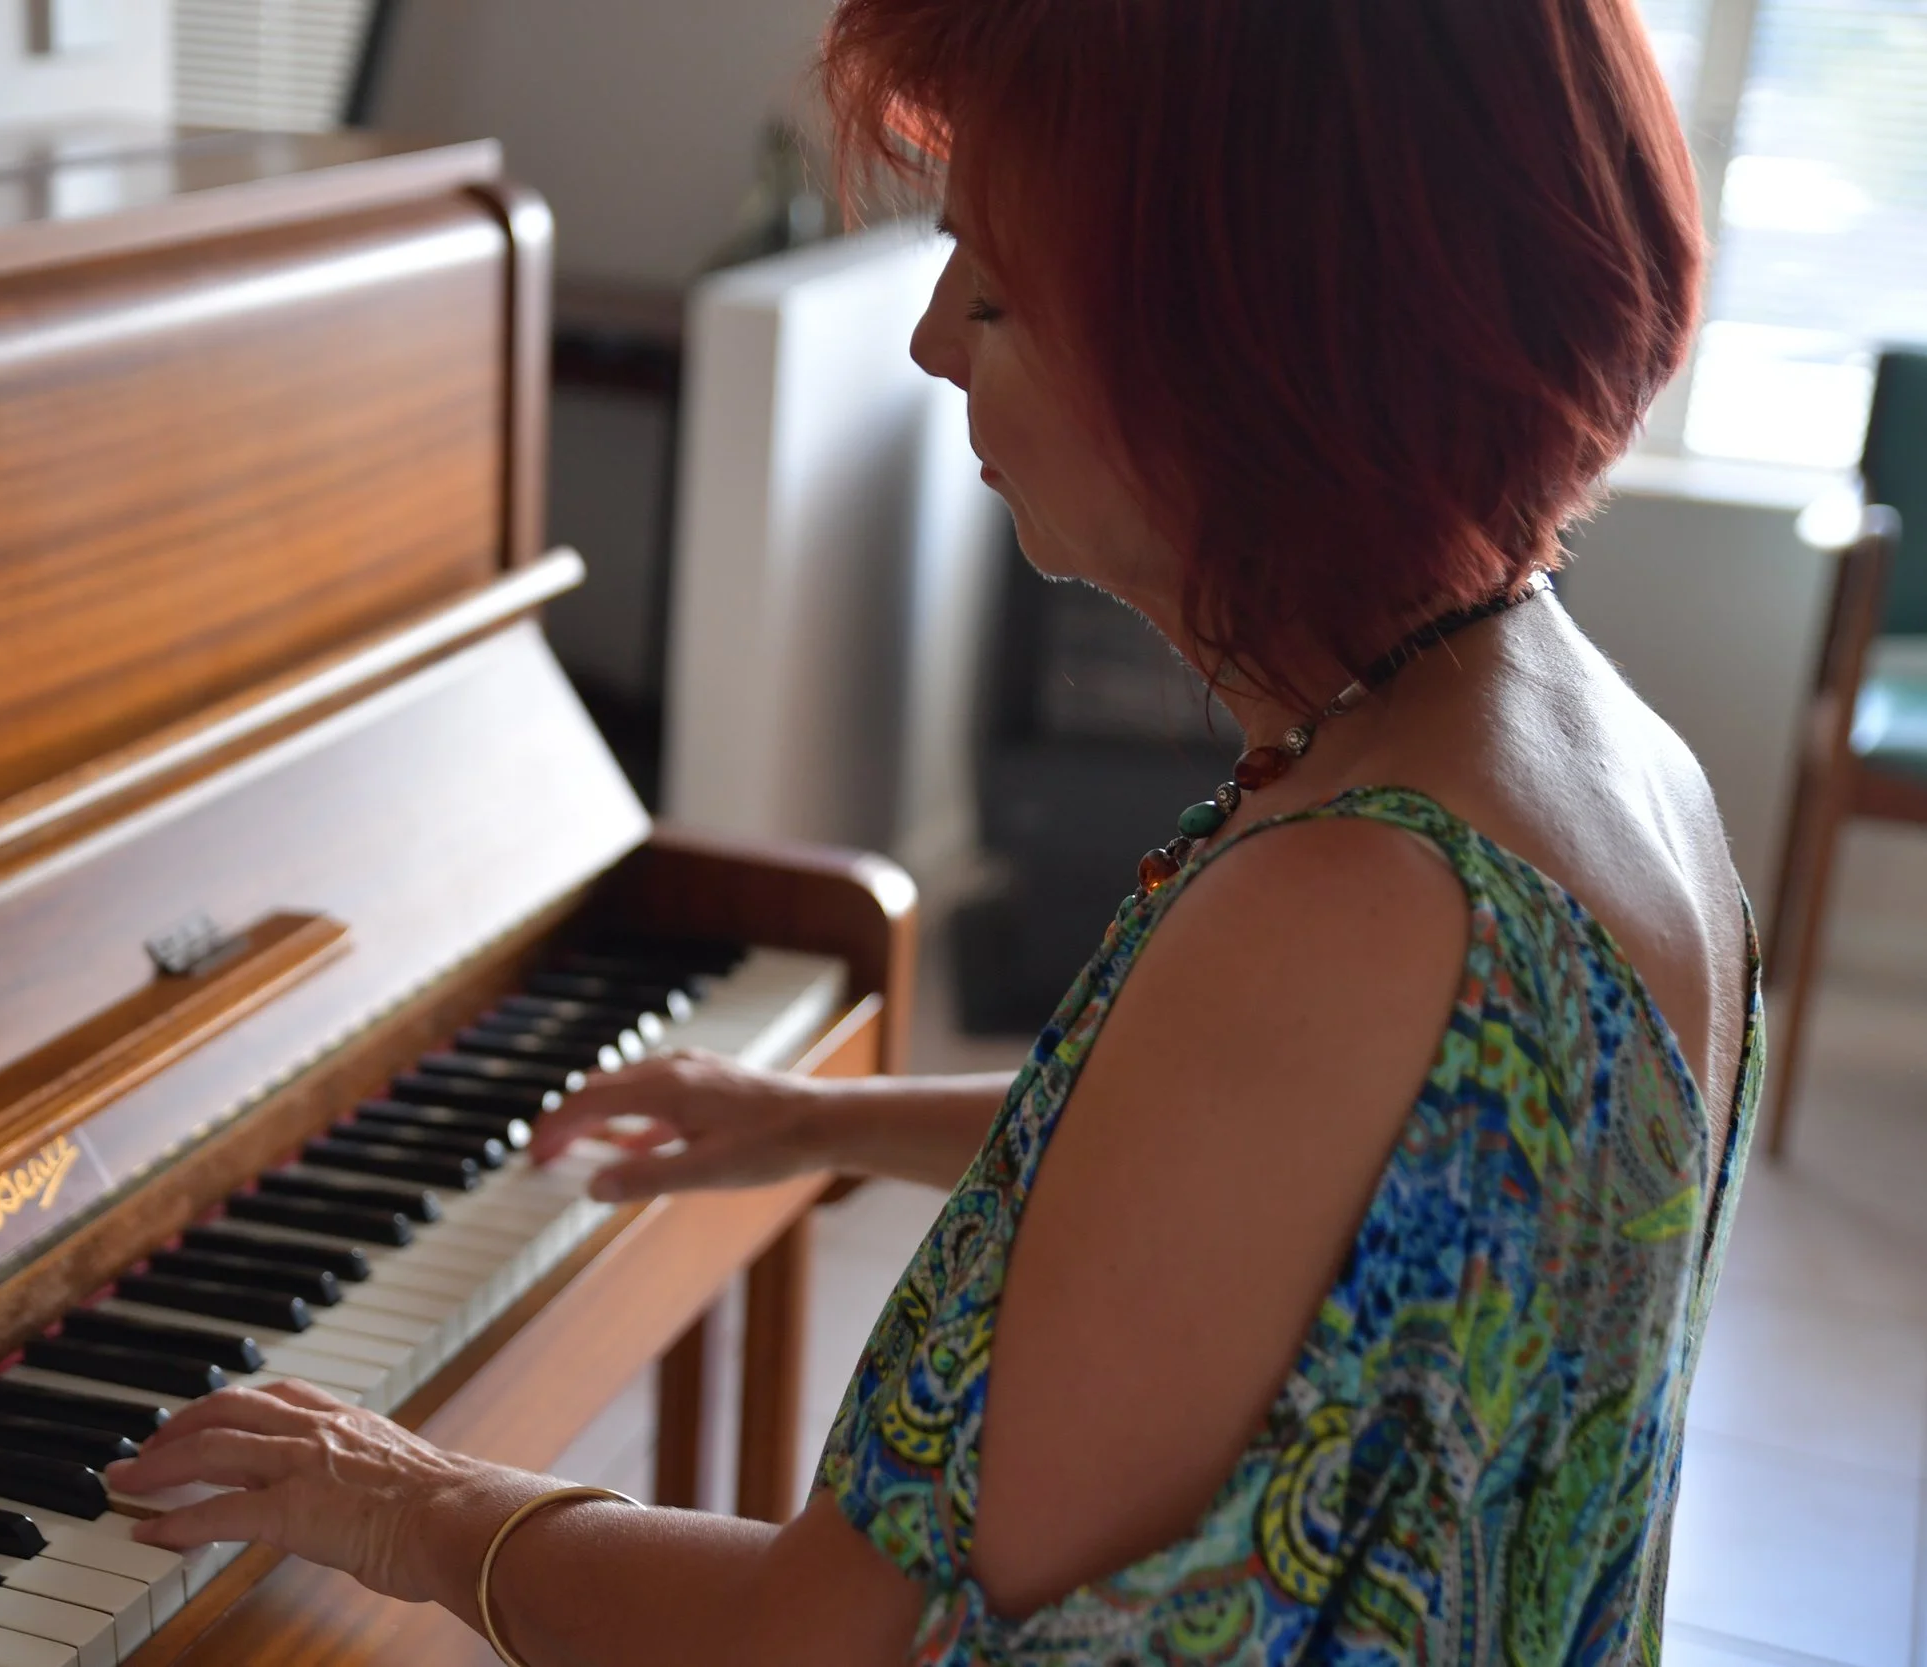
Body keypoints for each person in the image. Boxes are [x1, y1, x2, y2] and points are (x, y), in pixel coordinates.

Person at [103, 0, 1761, 1657]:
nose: (928, 343)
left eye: (993, 291)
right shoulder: (1606, 764)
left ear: (1246, 350)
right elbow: (1256, 1186)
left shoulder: (1340, 906)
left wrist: (409, 1503)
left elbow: (825, 1645)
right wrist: (807, 1115)